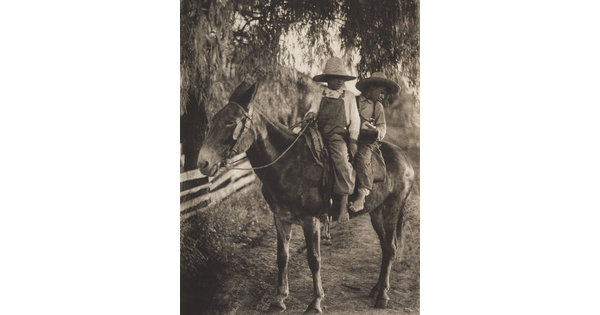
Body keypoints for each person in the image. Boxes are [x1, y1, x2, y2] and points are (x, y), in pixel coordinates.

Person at [301, 57, 360, 223]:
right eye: (334, 78)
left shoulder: (348, 96)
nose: (338, 81)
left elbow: (355, 120)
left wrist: (353, 140)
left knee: (341, 161)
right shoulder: (320, 93)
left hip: (337, 136)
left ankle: (342, 206)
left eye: (341, 78)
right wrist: (310, 115)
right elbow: (313, 109)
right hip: (319, 133)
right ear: (327, 79)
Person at [349, 72, 399, 212]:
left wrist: (375, 131)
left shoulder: (377, 107)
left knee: (362, 157)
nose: (382, 96)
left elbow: (382, 127)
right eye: (381, 92)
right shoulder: (353, 100)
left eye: (384, 94)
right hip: (350, 137)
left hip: (367, 140)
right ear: (371, 87)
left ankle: (361, 196)